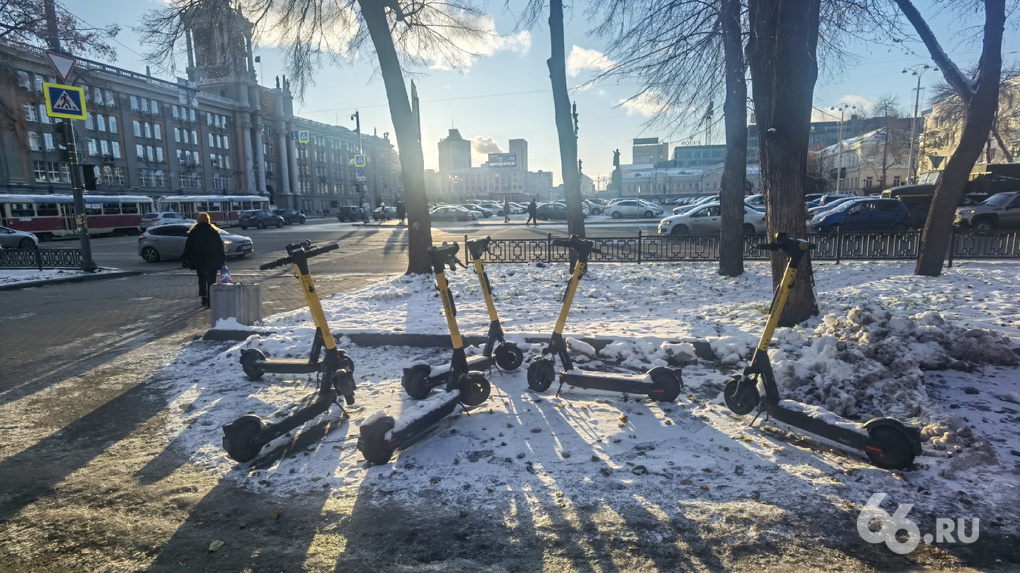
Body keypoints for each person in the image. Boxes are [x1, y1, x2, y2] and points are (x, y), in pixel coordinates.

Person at [181, 212, 224, 308]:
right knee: (211, 280)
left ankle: (203, 297)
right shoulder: (213, 231)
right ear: (208, 220)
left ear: (198, 220)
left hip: (199, 260)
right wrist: (222, 260)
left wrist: (185, 258)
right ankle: (210, 299)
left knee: (201, 278)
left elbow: (188, 247)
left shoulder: (194, 231)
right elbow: (219, 247)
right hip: (212, 260)